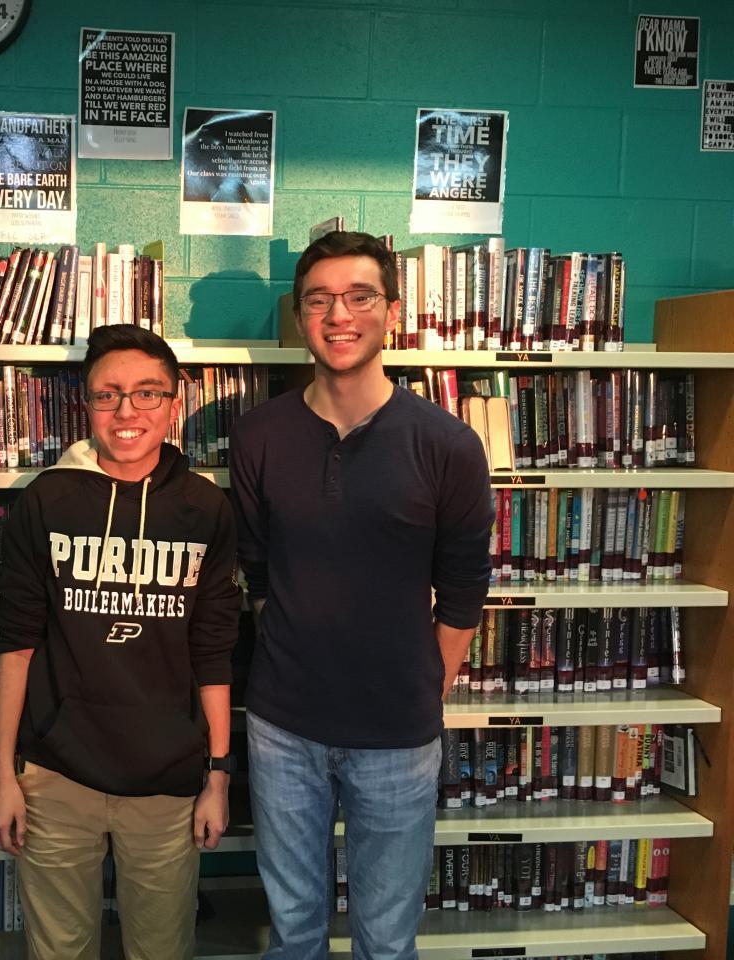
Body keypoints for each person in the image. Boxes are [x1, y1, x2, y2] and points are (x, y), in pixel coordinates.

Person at [229, 231, 493, 959]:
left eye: (359, 297)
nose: (338, 315)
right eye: (319, 300)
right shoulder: (258, 436)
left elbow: (464, 588)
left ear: (392, 311)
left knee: (386, 939)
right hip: (282, 729)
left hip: (398, 735)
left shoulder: (447, 444)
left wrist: (422, 685)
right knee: (295, 932)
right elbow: (258, 569)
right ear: (299, 317)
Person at [0, 323, 241, 960]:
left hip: (167, 783)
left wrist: (217, 778)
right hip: (55, 777)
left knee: (161, 948)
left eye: (147, 393)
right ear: (88, 404)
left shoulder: (205, 509)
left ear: (173, 403)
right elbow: (16, 645)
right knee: (60, 950)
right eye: (108, 395)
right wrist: (2, 776)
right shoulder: (46, 501)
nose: (127, 412)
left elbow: (213, 653)